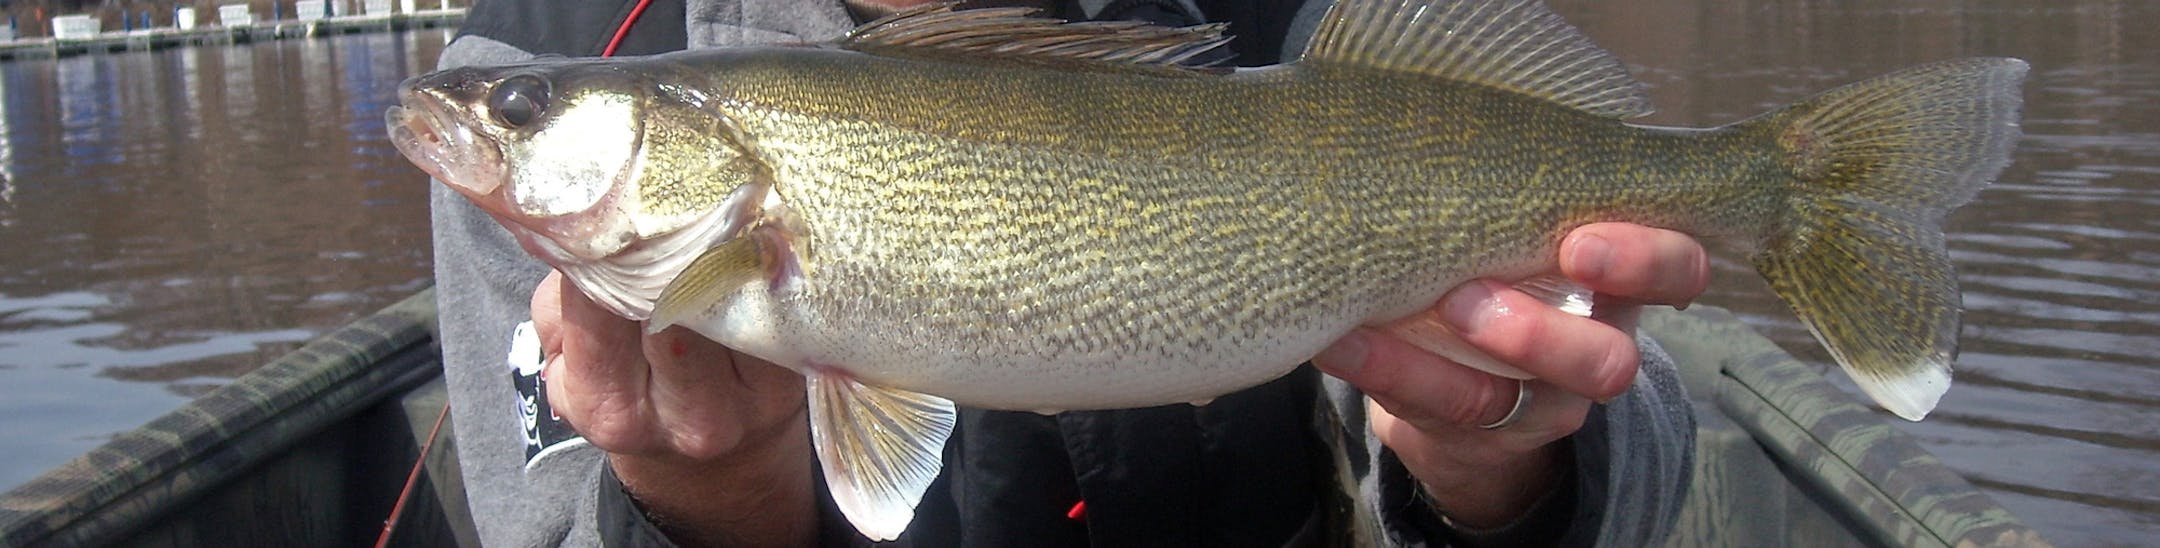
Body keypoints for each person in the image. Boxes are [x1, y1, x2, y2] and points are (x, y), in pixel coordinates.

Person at [430, 0, 1704, 545]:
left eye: (527, 113)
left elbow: (1644, 431)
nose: (507, 121)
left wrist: (1502, 466)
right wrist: (701, 507)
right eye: (530, 112)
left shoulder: (1305, 20)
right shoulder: (546, 42)